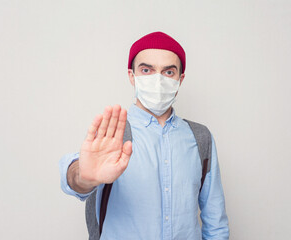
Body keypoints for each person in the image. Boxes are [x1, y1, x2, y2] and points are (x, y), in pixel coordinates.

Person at [59, 31, 230, 239]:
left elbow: (216, 224)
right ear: (132, 76)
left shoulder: (200, 137)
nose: (157, 80)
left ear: (180, 79)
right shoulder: (114, 133)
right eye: (146, 70)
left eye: (168, 72)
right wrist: (82, 177)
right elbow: (77, 177)